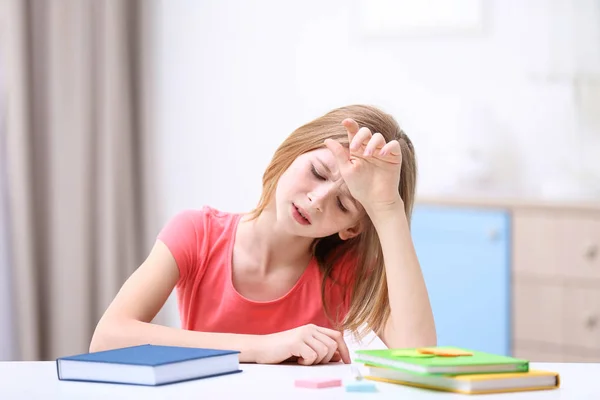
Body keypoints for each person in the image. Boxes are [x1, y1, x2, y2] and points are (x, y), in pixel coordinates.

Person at [89, 104, 436, 365]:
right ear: (293, 151)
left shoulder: (344, 270)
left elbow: (419, 355)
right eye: (316, 172)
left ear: (352, 228)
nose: (316, 201)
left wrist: (388, 209)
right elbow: (108, 338)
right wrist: (264, 346)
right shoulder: (198, 232)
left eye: (344, 205)